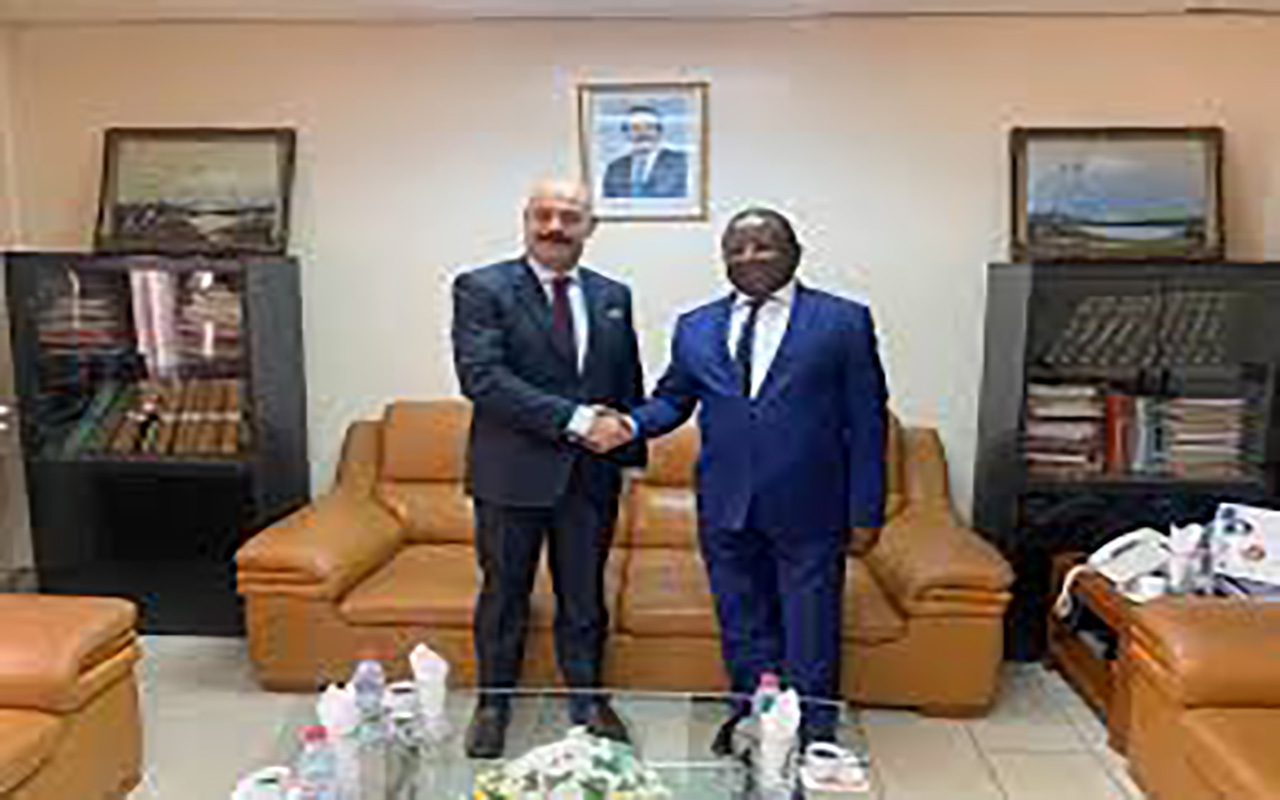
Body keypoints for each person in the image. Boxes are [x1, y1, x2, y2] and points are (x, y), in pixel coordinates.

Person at [586, 208, 888, 746]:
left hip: (811, 505)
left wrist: (866, 509)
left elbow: (868, 422)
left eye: (763, 245)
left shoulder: (843, 321)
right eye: (736, 249)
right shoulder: (696, 325)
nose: (749, 257)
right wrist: (629, 424)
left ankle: (813, 733)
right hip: (725, 504)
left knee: (811, 627)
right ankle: (754, 720)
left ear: (795, 253)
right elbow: (674, 399)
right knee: (742, 624)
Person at [451, 178, 646, 759]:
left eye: (569, 216)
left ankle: (588, 700)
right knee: (504, 595)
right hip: (510, 474)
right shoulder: (481, 288)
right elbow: (482, 379)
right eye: (544, 214)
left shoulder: (613, 294)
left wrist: (629, 457)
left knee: (584, 597)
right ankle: (493, 704)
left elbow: (626, 378)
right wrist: (577, 420)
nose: (555, 227)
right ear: (526, 219)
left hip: (590, 477)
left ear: (591, 227)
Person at [601, 105, 689, 199]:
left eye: (649, 127)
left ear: (659, 132)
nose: (643, 133)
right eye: (636, 128)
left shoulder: (681, 163)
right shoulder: (615, 168)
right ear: (626, 133)